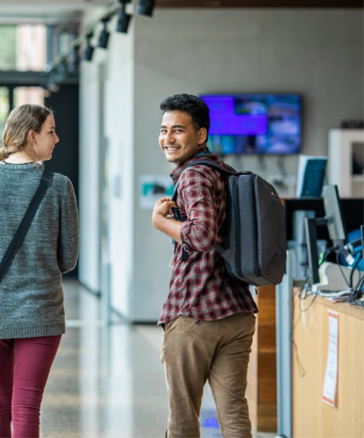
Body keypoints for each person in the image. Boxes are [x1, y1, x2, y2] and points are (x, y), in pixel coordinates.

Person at [0, 104, 79, 438]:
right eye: (51, 131)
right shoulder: (58, 186)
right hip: (41, 312)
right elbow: (68, 259)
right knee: (26, 407)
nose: (57, 138)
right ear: (31, 135)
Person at [151, 94, 259, 438]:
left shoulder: (194, 175)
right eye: (164, 129)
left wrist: (160, 222)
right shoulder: (222, 171)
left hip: (196, 313)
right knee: (234, 414)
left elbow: (201, 236)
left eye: (178, 130)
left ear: (200, 135)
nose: (168, 138)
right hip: (236, 311)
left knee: (182, 418)